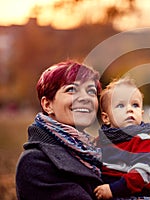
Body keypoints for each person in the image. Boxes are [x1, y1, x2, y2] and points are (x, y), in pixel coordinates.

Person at [15, 60, 104, 200]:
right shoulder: (35, 162)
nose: (85, 98)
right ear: (47, 105)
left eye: (91, 91)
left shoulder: (97, 152)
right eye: (71, 89)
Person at [94, 77, 150, 200]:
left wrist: (114, 189)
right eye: (120, 105)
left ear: (141, 113)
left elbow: (142, 173)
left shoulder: (143, 141)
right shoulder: (101, 141)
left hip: (133, 194)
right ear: (106, 118)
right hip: (106, 191)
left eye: (135, 105)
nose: (130, 109)